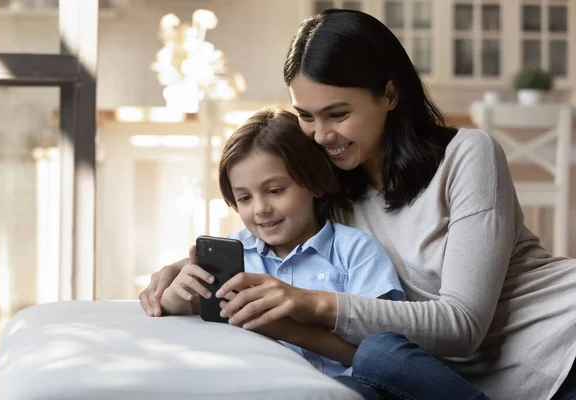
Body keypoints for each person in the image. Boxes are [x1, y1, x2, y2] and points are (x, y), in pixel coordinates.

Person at [139, 9, 576, 400]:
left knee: (379, 356)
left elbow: (461, 328)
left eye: (338, 114)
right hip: (437, 379)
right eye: (306, 116)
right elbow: (277, 235)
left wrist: (311, 304)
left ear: (389, 94)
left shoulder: (469, 155)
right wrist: (187, 272)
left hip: (559, 345)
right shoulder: (330, 184)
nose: (322, 135)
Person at [160, 106, 405, 380]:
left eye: (275, 191)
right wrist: (174, 295)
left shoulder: (356, 251)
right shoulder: (233, 254)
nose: (260, 209)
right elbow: (184, 309)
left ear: (314, 183)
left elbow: (382, 356)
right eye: (244, 198)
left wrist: (284, 327)